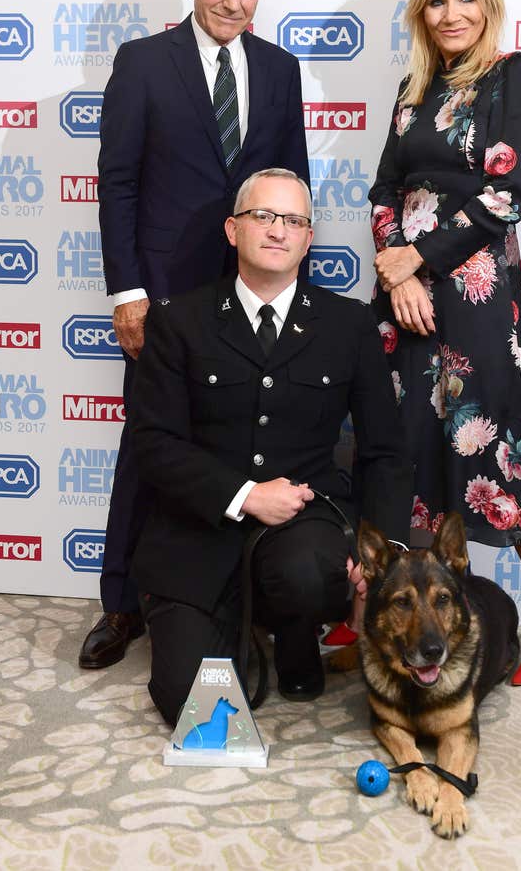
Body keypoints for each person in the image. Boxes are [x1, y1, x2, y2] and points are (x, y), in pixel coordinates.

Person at [79, 0, 310, 670]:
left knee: (243, 441)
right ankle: (121, 602)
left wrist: (290, 285)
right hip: (165, 296)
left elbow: (292, 183)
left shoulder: (279, 69)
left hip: (252, 292)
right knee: (149, 445)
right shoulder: (144, 63)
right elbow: (116, 183)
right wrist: (128, 292)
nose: (234, 2)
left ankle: (232, 599)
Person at [127, 168, 412, 722]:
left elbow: (386, 452)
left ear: (308, 239)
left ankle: (296, 633)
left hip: (303, 529)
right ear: (233, 230)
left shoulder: (348, 324)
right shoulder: (178, 321)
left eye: (294, 220)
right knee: (192, 705)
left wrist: (387, 559)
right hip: (197, 534)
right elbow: (153, 443)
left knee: (307, 571)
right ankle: (227, 624)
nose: (278, 230)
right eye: (263, 216)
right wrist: (245, 494)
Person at [366, 0, 521, 686]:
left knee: (501, 447)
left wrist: (418, 260)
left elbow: (503, 197)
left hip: (478, 293)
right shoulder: (412, 87)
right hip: (408, 300)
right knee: (408, 447)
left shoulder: (516, 76)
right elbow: (383, 193)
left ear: (486, 3)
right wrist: (397, 274)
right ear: (422, 11)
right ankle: (402, 612)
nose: (450, 13)